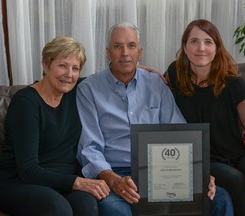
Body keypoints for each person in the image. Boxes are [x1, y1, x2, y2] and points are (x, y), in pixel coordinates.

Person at [76, 22, 233, 216]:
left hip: (161, 171)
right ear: (108, 52)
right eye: (118, 46)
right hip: (116, 172)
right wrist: (112, 179)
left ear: (139, 53)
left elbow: (179, 133)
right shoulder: (89, 89)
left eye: (131, 46)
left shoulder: (156, 84)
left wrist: (198, 173)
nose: (125, 52)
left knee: (221, 199)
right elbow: (89, 147)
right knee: (114, 209)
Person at [163, 19, 245, 216]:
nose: (201, 48)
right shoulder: (175, 73)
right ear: (185, 47)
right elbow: (152, 85)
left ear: (217, 48)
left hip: (237, 153)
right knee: (234, 179)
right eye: (194, 41)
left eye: (208, 42)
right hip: (203, 157)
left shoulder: (233, 83)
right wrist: (144, 71)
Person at [0, 36, 110, 216]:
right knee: (58, 209)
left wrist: (138, 69)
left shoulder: (76, 91)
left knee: (87, 206)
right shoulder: (26, 103)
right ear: (46, 65)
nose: (69, 74)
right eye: (62, 65)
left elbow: (110, 75)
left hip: (62, 182)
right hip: (20, 182)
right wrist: (77, 182)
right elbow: (29, 170)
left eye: (75, 68)